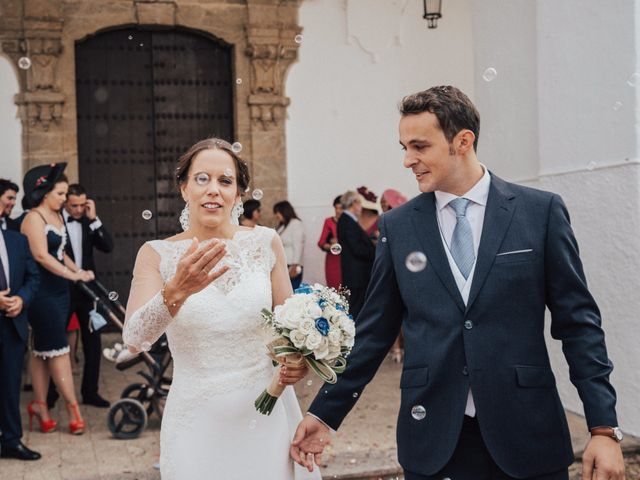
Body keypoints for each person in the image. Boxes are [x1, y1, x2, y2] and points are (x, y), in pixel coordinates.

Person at [291, 86, 625, 480]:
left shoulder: (540, 213)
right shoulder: (398, 227)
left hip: (527, 432)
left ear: (463, 141)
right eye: (403, 147)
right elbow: (374, 331)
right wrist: (324, 413)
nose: (407, 160)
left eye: (419, 146)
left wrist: (603, 427)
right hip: (434, 438)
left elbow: (579, 323)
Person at [122, 138, 320, 480]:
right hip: (197, 419)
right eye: (202, 179)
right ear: (184, 188)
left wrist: (299, 361)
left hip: (267, 411)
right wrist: (175, 292)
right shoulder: (156, 254)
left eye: (225, 181)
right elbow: (135, 339)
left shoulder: (265, 242)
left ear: (238, 194)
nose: (213, 189)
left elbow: (290, 329)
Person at [20, 163, 93, 435]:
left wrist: (78, 271)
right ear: (45, 192)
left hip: (60, 292)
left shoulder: (57, 217)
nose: (65, 199)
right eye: (60, 194)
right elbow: (41, 255)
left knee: (42, 352)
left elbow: (60, 252)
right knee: (60, 351)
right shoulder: (33, 219)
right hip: (41, 294)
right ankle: (74, 409)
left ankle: (40, 405)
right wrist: (70, 276)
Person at [62, 183, 113, 407]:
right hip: (63, 289)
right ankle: (53, 394)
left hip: (88, 291)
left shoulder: (87, 221)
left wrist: (94, 219)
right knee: (56, 340)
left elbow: (108, 246)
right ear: (65, 202)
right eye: (74, 206)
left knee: (93, 341)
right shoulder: (55, 222)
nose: (78, 210)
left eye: (83, 205)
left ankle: (90, 392)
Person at [0, 220, 41, 460]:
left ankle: (11, 440)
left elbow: (32, 277)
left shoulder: (17, 240)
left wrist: (21, 300)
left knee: (10, 386)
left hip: (11, 324)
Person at [336, 191, 375, 319]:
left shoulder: (349, 220)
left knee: (358, 306)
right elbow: (357, 248)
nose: (361, 207)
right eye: (360, 203)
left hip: (357, 273)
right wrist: (376, 253)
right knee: (356, 309)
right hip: (356, 274)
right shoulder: (347, 221)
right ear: (354, 203)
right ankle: (356, 336)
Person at [380, 188, 409, 363]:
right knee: (396, 313)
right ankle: (397, 348)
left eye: (385, 202)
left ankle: (399, 349)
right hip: (396, 272)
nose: (383, 205)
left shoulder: (395, 221)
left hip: (400, 271)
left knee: (401, 313)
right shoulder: (392, 221)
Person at [273, 201, 305, 290]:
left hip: (292, 264)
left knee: (292, 291)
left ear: (284, 211)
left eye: (277, 212)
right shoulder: (283, 225)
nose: (276, 215)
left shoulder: (295, 223)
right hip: (283, 263)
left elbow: (298, 245)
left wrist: (295, 265)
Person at [316, 195, 343, 289]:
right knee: (334, 290)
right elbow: (321, 242)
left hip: (349, 262)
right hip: (333, 261)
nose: (338, 211)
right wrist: (334, 246)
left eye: (341, 208)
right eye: (336, 208)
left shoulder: (352, 222)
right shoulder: (329, 222)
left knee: (349, 293)